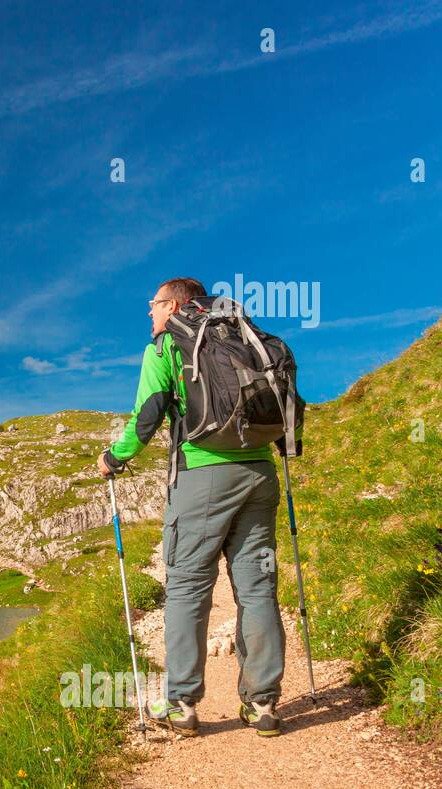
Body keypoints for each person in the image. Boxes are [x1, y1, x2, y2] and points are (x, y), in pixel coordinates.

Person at [96, 277, 295, 738]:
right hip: (260, 475)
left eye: (153, 304)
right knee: (257, 586)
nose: (149, 313)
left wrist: (114, 458)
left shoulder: (168, 346)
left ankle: (182, 704)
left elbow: (148, 414)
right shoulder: (246, 336)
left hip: (203, 476)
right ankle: (263, 704)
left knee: (187, 588)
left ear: (175, 305)